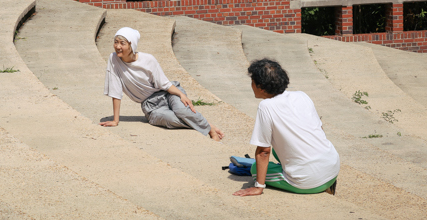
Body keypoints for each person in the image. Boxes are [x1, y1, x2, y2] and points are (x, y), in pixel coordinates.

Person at [233, 59, 339, 196]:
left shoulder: (266, 107)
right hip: (332, 167)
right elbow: (319, 130)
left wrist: (258, 186)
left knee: (254, 168)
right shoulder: (302, 95)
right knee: (280, 148)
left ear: (261, 87)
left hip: (308, 181)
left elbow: (263, 152)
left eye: (252, 82)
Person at [100, 27, 224, 140]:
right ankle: (209, 126)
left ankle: (210, 130)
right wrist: (115, 120)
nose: (117, 46)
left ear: (131, 45)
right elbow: (115, 90)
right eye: (116, 42)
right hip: (151, 106)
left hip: (167, 94)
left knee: (183, 112)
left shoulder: (148, 60)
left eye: (122, 43)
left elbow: (164, 84)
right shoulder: (114, 59)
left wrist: (182, 95)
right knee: (171, 119)